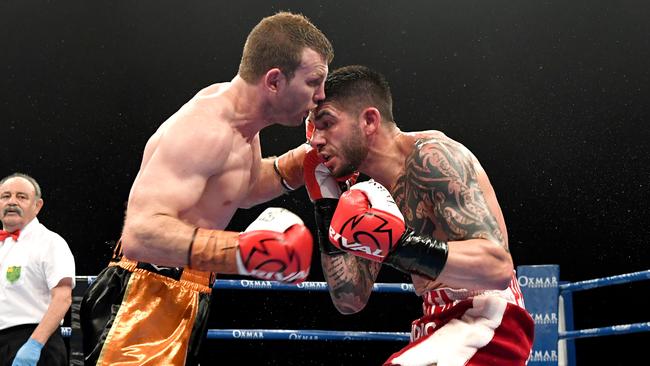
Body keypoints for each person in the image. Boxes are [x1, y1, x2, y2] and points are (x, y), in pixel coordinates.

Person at [79, 11, 333, 366]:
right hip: (144, 295)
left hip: (183, 290)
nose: (320, 96)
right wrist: (244, 252)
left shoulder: (242, 129)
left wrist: (300, 161)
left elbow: (238, 189)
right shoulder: (205, 129)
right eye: (313, 82)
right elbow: (140, 233)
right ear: (274, 81)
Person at [304, 65, 534, 365]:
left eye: (326, 123)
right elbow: (349, 299)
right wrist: (327, 207)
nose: (315, 140)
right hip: (437, 325)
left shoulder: (432, 158)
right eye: (313, 127)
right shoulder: (370, 198)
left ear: (369, 120)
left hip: (490, 320)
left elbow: (498, 267)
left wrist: (401, 247)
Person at [0, 173, 76, 366]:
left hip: (36, 342)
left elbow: (63, 297)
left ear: (37, 205)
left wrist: (34, 344)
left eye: (21, 197)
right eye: (5, 196)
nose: (12, 202)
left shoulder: (50, 243)